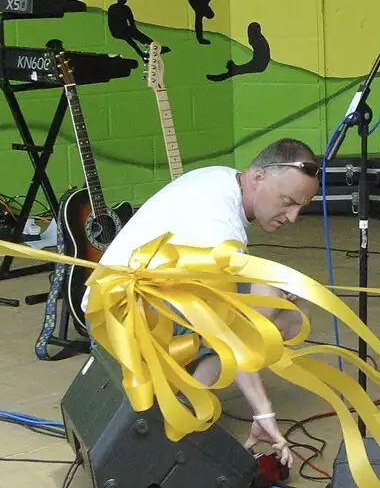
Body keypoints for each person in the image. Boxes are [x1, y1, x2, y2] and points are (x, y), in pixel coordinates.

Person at [91, 137, 322, 466]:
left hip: (130, 310)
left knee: (289, 315)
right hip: (118, 326)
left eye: (301, 206)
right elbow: (231, 328)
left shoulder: (219, 178)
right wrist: (263, 410)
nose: (293, 216)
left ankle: (180, 400)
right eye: (287, 201)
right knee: (265, 301)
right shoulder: (220, 225)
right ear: (258, 178)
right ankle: (178, 421)